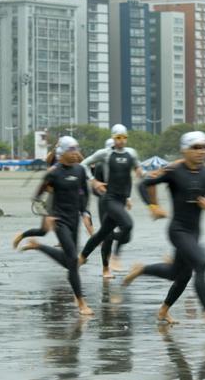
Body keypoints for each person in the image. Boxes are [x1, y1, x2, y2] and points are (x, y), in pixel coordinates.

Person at [122, 131, 205, 326]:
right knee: (201, 262)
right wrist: (153, 207)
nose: (201, 151)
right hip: (178, 230)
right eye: (196, 147)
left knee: (178, 274)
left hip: (194, 233)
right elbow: (143, 185)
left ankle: (146, 278)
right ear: (184, 150)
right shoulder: (174, 171)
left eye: (204, 147)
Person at [19, 136, 94, 315]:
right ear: (62, 152)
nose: (75, 153)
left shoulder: (80, 170)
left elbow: (84, 193)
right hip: (59, 220)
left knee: (70, 263)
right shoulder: (53, 173)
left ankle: (38, 246)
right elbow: (37, 196)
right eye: (71, 150)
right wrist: (47, 215)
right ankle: (81, 302)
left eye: (76, 149)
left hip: (74, 220)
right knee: (73, 260)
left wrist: (85, 212)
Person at [78, 124, 143, 272]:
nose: (121, 140)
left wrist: (141, 172)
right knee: (128, 225)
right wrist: (93, 181)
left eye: (124, 137)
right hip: (109, 199)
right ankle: (115, 257)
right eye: (118, 137)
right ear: (113, 138)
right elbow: (83, 164)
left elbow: (135, 171)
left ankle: (82, 257)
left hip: (121, 200)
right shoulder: (105, 154)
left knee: (103, 234)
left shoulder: (131, 153)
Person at [91, 138, 118, 278]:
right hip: (105, 203)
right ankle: (105, 268)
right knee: (108, 235)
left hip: (118, 203)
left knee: (119, 233)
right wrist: (104, 191)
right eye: (112, 149)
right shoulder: (101, 166)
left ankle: (113, 259)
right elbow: (94, 189)